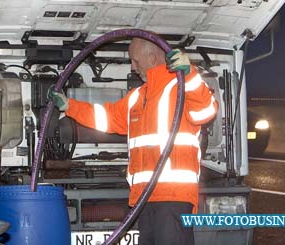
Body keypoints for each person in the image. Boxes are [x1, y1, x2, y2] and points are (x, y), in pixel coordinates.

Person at [49, 40, 217, 244]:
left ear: (152, 58)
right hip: (143, 198)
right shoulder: (137, 96)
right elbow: (108, 117)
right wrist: (69, 106)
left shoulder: (181, 87)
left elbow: (206, 110)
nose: (132, 67)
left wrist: (189, 74)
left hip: (173, 196)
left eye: (135, 61)